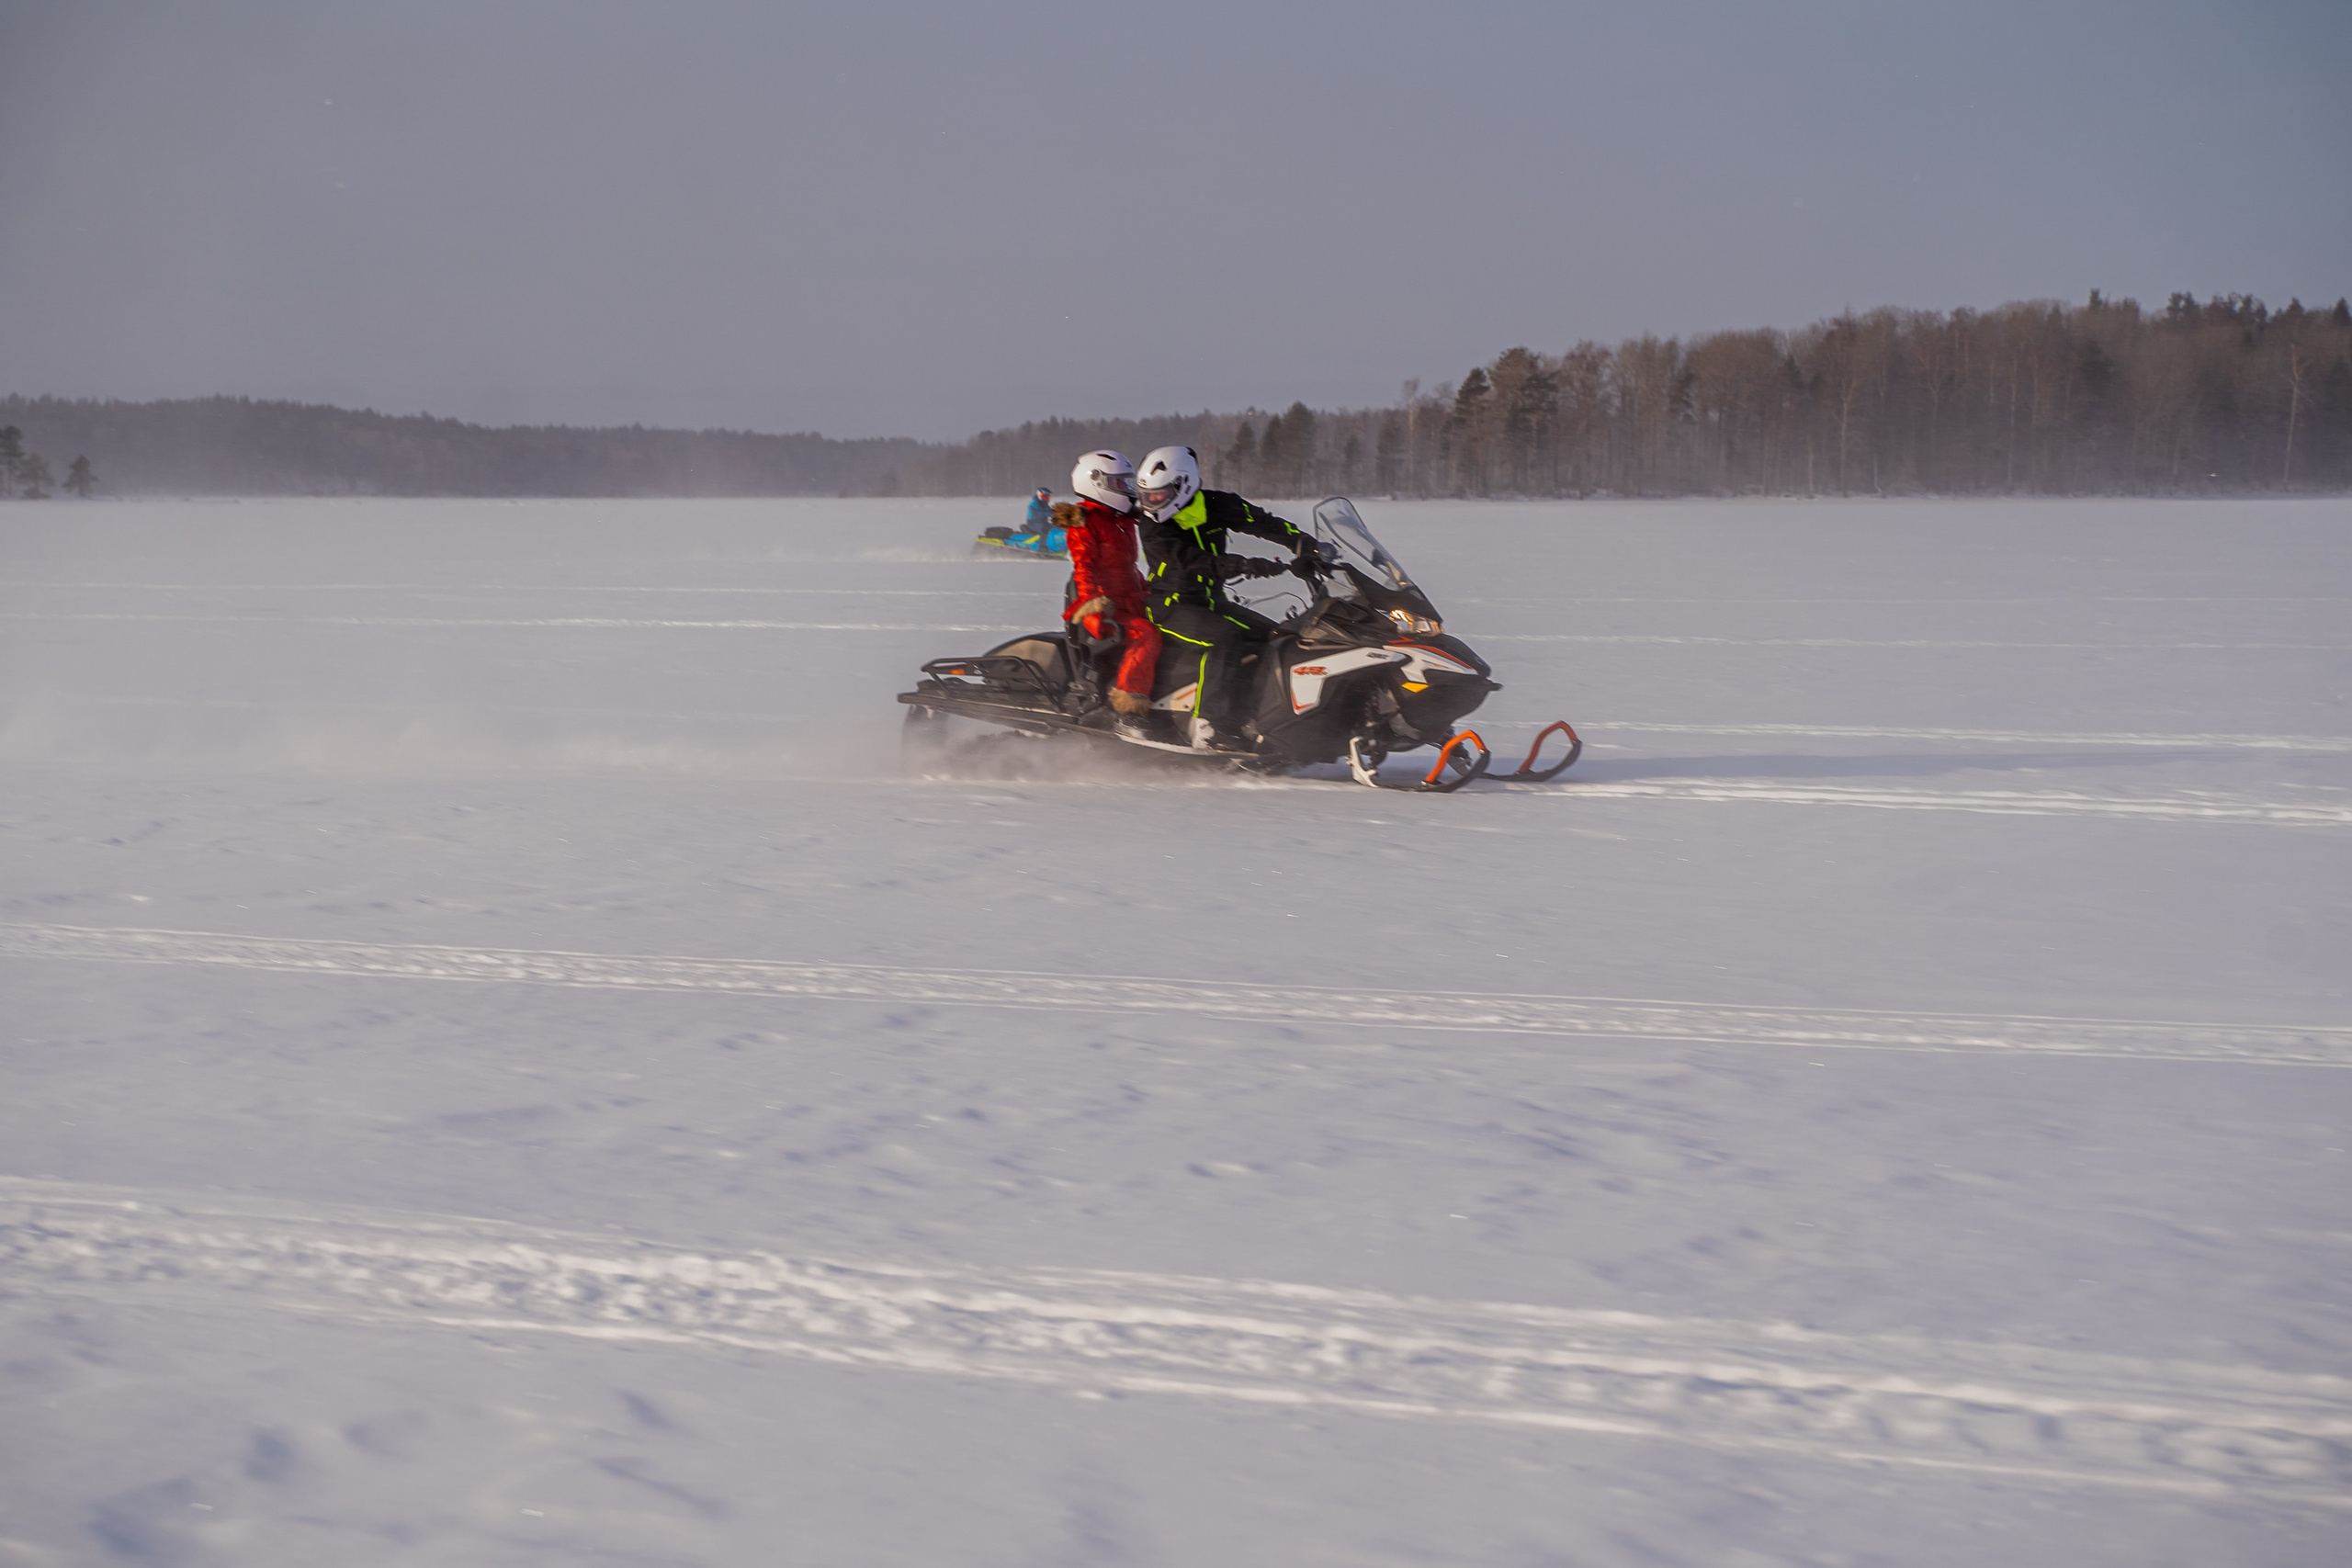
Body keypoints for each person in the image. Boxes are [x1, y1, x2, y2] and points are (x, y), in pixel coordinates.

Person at [1132, 445, 1321, 748]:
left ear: (1184, 485)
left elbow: (1262, 521)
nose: (1151, 502)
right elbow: (1187, 560)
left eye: (1158, 495)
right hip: (1169, 605)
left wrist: (1302, 543)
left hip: (1211, 602)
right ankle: (1208, 725)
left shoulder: (1216, 505)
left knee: (1277, 636)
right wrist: (1240, 564)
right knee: (1223, 638)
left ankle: (1254, 717)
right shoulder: (1152, 526)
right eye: (1146, 496)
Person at [1058, 450, 1159, 737]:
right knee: (1145, 635)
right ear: (1095, 483)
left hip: (1130, 598)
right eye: (1117, 483)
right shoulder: (1084, 521)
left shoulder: (1120, 520)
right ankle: (1127, 713)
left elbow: (1126, 568)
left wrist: (1151, 590)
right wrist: (1092, 608)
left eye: (1126, 482)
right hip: (1106, 606)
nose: (1125, 489)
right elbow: (1084, 568)